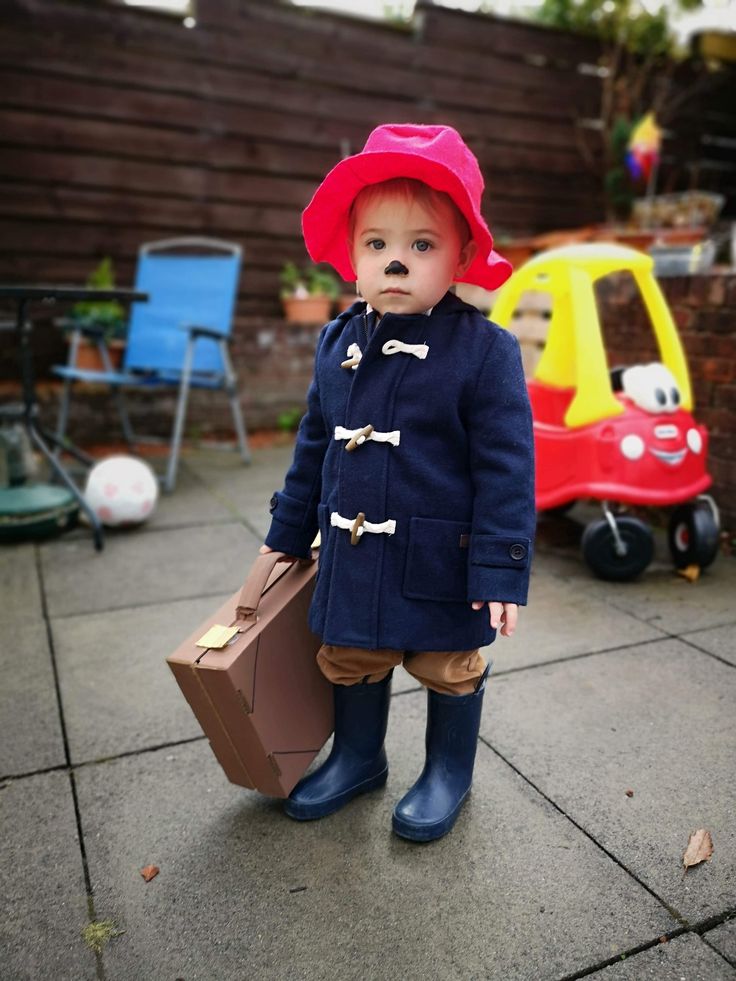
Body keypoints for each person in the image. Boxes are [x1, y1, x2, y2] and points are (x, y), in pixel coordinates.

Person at [261, 123, 535, 842]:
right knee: (350, 654)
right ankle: (358, 755)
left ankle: (449, 770)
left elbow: (507, 466)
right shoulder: (336, 342)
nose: (396, 262)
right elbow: (314, 444)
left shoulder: (486, 352)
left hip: (444, 555)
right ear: (351, 255)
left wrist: (501, 569)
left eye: (422, 245)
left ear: (462, 255)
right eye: (376, 244)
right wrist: (285, 536)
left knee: (448, 662)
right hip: (355, 547)